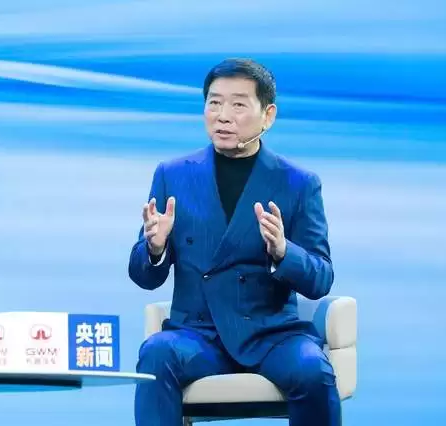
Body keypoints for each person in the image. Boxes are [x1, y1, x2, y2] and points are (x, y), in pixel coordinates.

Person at [128, 58, 341, 426]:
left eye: (238, 104)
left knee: (312, 370)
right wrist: (155, 248)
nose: (223, 116)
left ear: (268, 115)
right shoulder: (172, 175)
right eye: (214, 103)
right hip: (198, 336)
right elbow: (143, 276)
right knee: (156, 354)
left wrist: (283, 252)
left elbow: (320, 279)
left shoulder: (298, 183)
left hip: (272, 335)